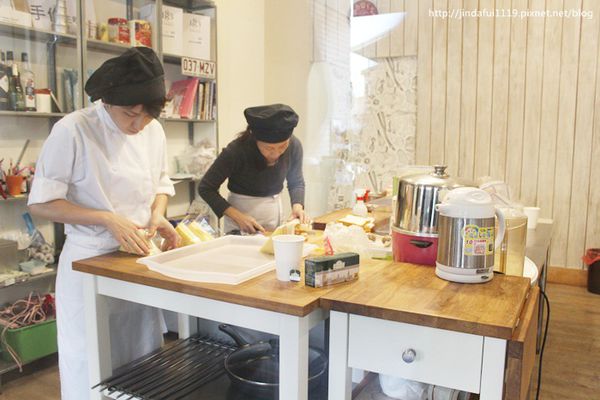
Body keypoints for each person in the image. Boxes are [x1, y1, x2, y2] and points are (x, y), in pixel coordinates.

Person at [27, 47, 179, 400]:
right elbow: (41, 202)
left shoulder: (153, 130)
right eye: (130, 114)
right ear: (107, 101)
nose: (138, 125)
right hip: (89, 262)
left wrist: (157, 215)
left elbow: (161, 184)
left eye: (147, 116)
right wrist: (106, 219)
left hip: (136, 260)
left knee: (140, 360)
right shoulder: (74, 130)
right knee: (90, 362)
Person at [198, 104, 309, 233]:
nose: (276, 153)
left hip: (274, 216)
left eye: (282, 146)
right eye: (269, 148)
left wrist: (297, 206)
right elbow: (206, 188)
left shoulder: (294, 145)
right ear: (256, 140)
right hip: (240, 221)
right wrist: (238, 216)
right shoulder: (236, 151)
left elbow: (296, 181)